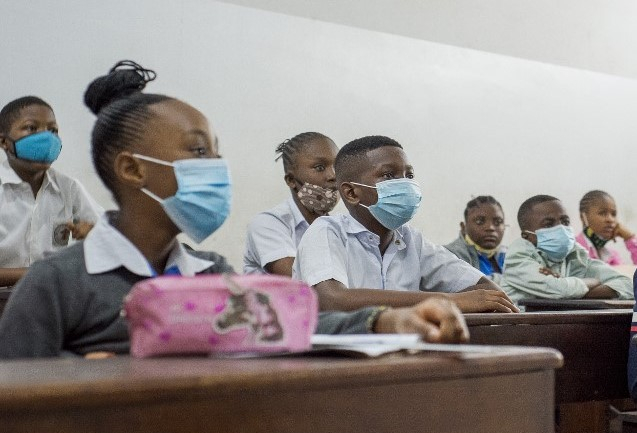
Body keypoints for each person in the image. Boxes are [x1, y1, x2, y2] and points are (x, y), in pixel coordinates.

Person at [0, 62, 468, 359]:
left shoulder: (209, 274)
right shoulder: (57, 283)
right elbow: (18, 408)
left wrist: (386, 321)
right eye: (198, 152)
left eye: (216, 152)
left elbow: (294, 321)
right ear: (132, 169)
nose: (217, 168)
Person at [293, 135, 519, 313]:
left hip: (401, 358)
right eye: (388, 176)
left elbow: (487, 292)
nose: (404, 183)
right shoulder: (327, 231)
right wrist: (450, 302)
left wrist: (471, 301)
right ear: (352, 193)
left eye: (408, 175)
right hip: (334, 362)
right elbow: (332, 299)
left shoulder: (411, 241)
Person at [0, 96, 102, 287]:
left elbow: (107, 233)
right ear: (4, 142)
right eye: (31, 128)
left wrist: (94, 233)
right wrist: (40, 273)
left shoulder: (68, 187)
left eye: (53, 130)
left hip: (53, 300)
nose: (47, 137)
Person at [500, 194, 633, 303]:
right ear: (527, 236)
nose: (561, 228)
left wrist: (574, 290)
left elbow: (628, 285)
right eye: (549, 224)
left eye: (565, 222)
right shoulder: (517, 257)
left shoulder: (576, 254)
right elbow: (560, 290)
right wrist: (594, 281)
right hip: (520, 330)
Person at [243, 132, 339, 276]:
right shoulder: (268, 223)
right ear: (291, 180)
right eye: (320, 167)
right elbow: (301, 281)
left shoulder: (340, 227)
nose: (333, 175)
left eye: (337, 166)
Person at [445, 195, 507, 282]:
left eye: (498, 222)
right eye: (480, 221)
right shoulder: (449, 256)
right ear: (463, 227)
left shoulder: (509, 254)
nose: (490, 227)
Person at [576, 190, 637, 266]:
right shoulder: (573, 250)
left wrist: (630, 238)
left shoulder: (612, 256)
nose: (610, 219)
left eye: (613, 214)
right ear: (583, 217)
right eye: (602, 213)